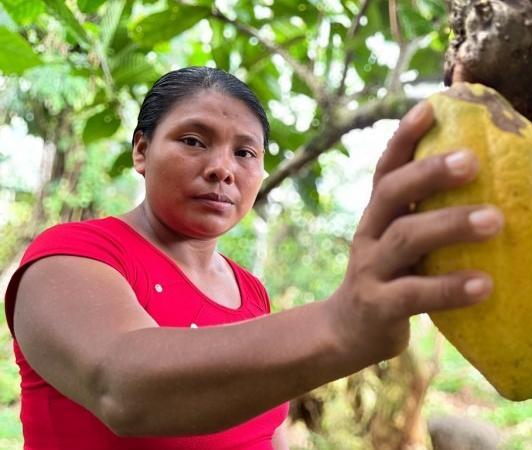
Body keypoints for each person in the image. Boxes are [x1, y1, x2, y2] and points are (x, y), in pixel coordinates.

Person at [3, 66, 503, 449]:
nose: (222, 169)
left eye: (245, 153)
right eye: (194, 141)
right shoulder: (70, 255)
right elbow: (122, 387)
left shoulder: (250, 291)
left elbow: (263, 433)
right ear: (141, 150)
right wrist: (339, 324)